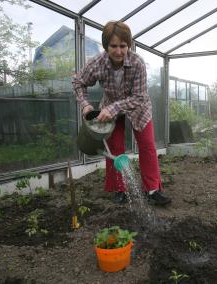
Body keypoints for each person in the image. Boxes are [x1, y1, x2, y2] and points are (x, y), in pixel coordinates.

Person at [72, 21, 171, 206]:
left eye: (123, 46)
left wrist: (113, 108)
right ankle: (120, 189)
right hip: (109, 110)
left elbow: (139, 97)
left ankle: (152, 190)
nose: (118, 51)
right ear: (106, 46)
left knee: (147, 146)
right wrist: (85, 104)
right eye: (114, 46)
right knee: (115, 149)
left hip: (138, 107)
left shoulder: (137, 63)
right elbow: (78, 82)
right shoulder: (97, 63)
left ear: (129, 45)